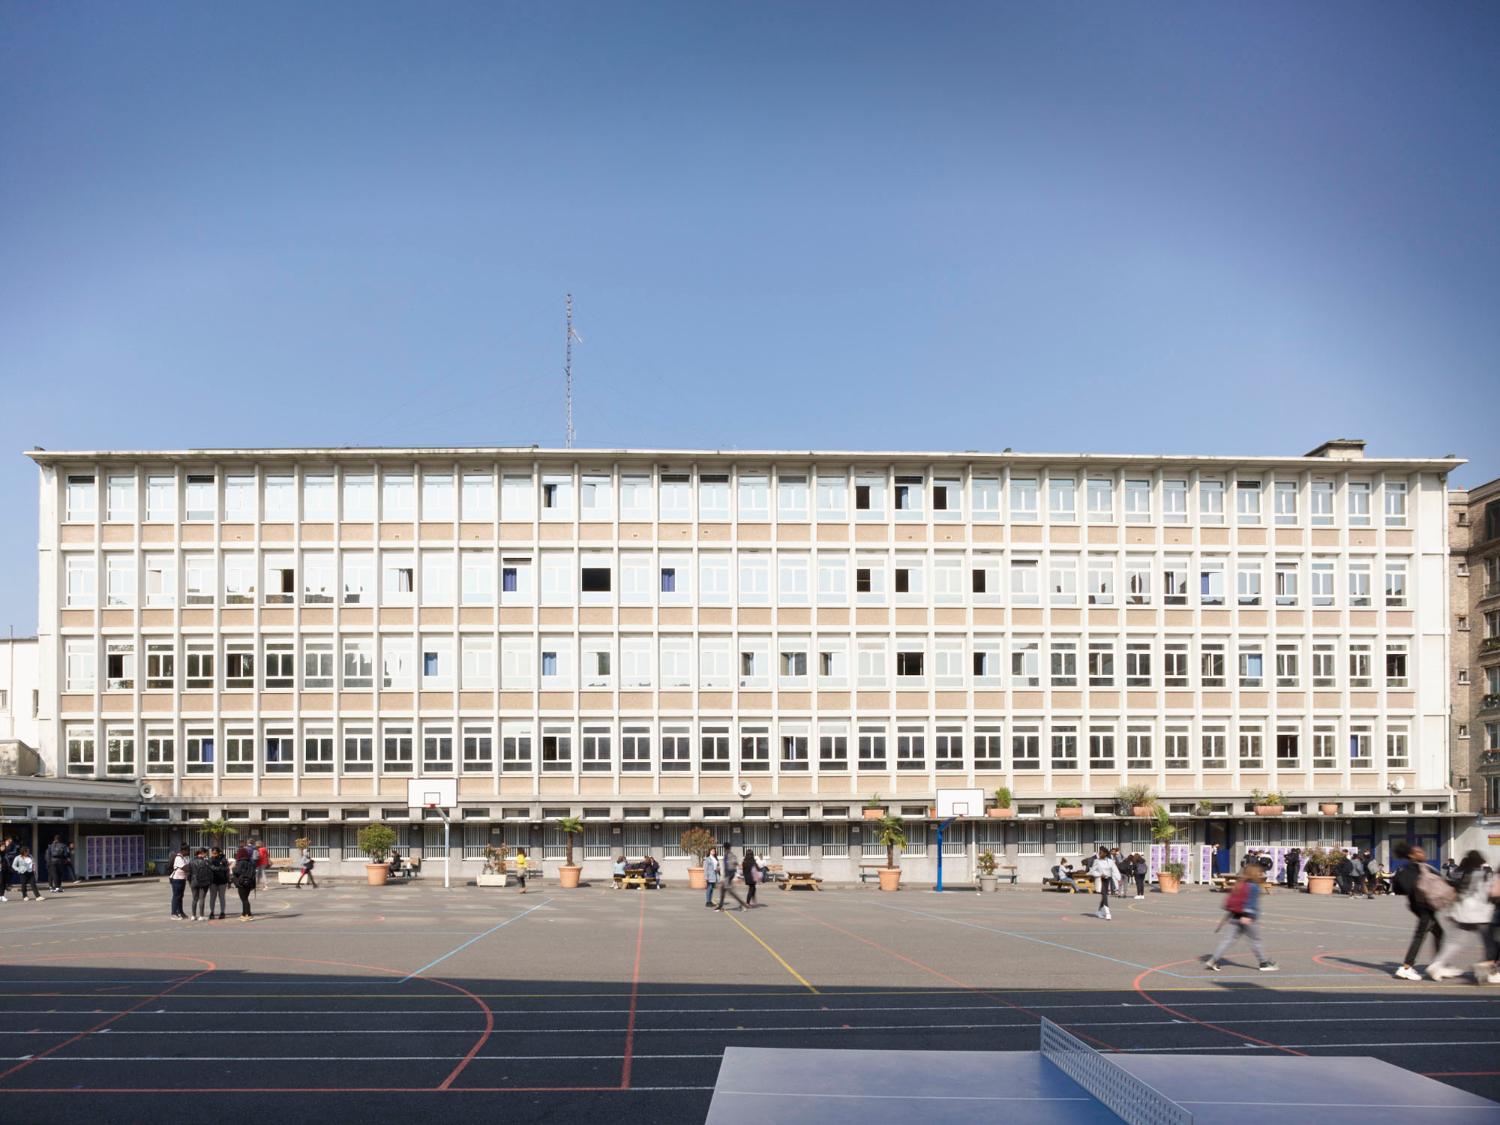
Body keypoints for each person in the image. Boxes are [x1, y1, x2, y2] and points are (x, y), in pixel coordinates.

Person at [1425, 851, 1495, 982]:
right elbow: (1487, 892)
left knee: (1454, 942)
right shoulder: (1482, 874)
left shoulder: (1460, 872)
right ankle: (1485, 968)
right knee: (1489, 941)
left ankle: (1437, 964)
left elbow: (1455, 888)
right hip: (1479, 912)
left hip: (1461, 911)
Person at [1206, 862, 1278, 972]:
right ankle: (1264, 963)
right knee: (1255, 940)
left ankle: (1213, 960)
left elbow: (1233, 901)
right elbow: (1250, 902)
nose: (1261, 874)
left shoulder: (1239, 884)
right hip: (1247, 918)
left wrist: (1227, 918)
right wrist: (1247, 915)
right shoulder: (1254, 887)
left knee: (1228, 940)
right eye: (1259, 873)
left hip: (1235, 916)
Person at [1391, 840, 1446, 980]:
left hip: (1420, 906)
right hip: (1425, 907)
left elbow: (1397, 889)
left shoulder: (1406, 868)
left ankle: (1439, 964)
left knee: (1439, 932)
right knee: (1420, 935)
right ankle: (1406, 967)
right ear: (1412, 855)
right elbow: (1408, 887)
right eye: (1419, 852)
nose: (1423, 853)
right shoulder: (1416, 868)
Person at [1092, 846, 1121, 921]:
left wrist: (1119, 878)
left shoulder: (1110, 861)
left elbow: (1115, 870)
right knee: (1104, 895)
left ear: (1105, 854)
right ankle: (1108, 913)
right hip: (1099, 880)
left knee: (1104, 896)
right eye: (1099, 852)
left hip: (1107, 880)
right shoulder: (1096, 861)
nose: (1099, 853)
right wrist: (1099, 874)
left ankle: (1098, 911)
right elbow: (1092, 871)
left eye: (1100, 852)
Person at [716, 847, 747, 912]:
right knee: (723, 891)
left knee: (731, 892)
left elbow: (734, 865)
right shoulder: (726, 855)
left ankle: (742, 904)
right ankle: (720, 906)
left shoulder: (730, 856)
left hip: (728, 876)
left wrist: (735, 876)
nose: (724, 850)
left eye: (725, 848)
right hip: (727, 877)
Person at [231, 846, 257, 920]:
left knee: (244, 899)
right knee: (245, 898)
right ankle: (244, 913)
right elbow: (253, 872)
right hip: (249, 882)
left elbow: (237, 871)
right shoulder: (250, 862)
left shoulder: (240, 862)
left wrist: (233, 868)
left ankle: (248, 914)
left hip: (241, 882)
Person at [187, 848, 212, 921]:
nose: (206, 854)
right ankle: (201, 916)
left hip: (194, 882)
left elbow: (189, 874)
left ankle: (193, 916)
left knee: (194, 899)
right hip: (203, 882)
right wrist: (210, 882)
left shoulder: (191, 862)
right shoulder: (206, 862)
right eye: (205, 853)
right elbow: (209, 873)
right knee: (202, 899)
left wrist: (190, 882)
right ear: (202, 853)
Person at [207, 846, 230, 919]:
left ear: (219, 853)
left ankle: (222, 912)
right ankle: (212, 912)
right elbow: (210, 868)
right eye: (212, 853)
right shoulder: (210, 860)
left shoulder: (223, 860)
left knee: (222, 897)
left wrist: (228, 881)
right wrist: (220, 868)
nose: (213, 854)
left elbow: (227, 869)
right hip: (213, 881)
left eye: (215, 853)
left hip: (222, 882)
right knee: (212, 898)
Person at [169, 845, 190, 919]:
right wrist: (191, 865)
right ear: (183, 851)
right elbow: (185, 868)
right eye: (188, 851)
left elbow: (187, 867)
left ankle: (180, 912)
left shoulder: (184, 858)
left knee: (180, 896)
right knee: (176, 896)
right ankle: (174, 913)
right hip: (177, 879)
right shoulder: (178, 858)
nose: (189, 852)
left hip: (182, 879)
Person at [0, 835, 13, 902]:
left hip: (4, 869)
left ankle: (2, 896)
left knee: (3, 882)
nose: (3, 847)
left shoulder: (4, 852)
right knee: (1, 882)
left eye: (4, 846)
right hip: (1, 869)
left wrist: (7, 845)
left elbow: (7, 851)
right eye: (2, 846)